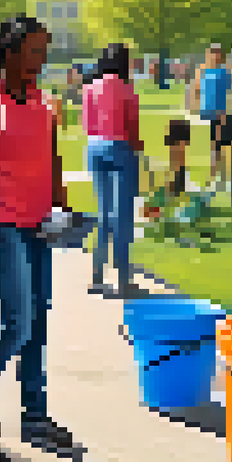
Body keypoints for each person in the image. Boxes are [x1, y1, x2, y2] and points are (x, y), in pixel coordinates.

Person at [0, 14, 78, 458]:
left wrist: (62, 203)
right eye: (32, 52)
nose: (40, 61)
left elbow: (53, 159)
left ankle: (34, 416)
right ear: (9, 54)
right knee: (19, 323)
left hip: (39, 226)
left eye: (44, 53)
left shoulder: (45, 106)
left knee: (39, 323)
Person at [82, 43, 141, 297]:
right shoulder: (127, 89)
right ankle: (124, 279)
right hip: (120, 147)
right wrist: (137, 146)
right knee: (123, 215)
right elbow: (132, 127)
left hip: (95, 148)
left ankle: (96, 277)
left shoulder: (89, 88)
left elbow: (87, 125)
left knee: (103, 213)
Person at [191, 44, 231, 187]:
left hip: (219, 112)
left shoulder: (224, 71)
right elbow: (196, 88)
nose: (215, 55)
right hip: (206, 110)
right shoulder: (202, 70)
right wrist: (193, 104)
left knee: (218, 142)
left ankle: (217, 173)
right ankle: (216, 173)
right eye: (213, 52)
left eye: (217, 53)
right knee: (214, 142)